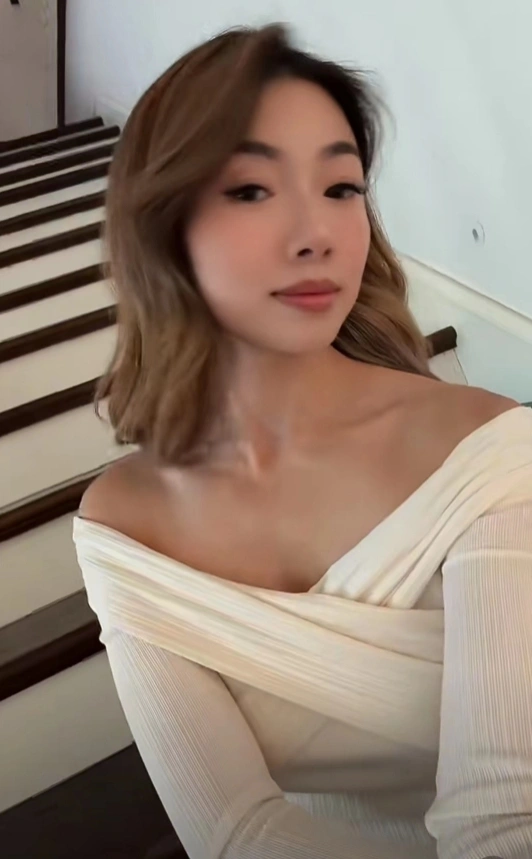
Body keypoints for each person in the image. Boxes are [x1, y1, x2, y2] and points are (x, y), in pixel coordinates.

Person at [73, 22, 532, 859]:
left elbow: (505, 822)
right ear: (162, 224)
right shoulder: (123, 525)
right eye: (252, 189)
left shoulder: (486, 450)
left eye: (341, 186)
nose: (315, 231)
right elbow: (235, 830)